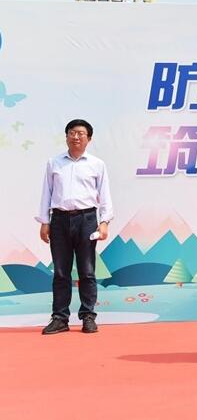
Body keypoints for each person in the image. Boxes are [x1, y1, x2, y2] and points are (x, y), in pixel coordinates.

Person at [36, 119, 113, 335]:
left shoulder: (97, 164)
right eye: (72, 132)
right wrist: (45, 222)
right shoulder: (54, 162)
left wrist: (104, 222)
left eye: (80, 133)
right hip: (59, 220)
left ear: (89, 138)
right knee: (61, 272)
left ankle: (88, 316)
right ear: (66, 136)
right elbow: (46, 193)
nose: (76, 137)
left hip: (87, 219)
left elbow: (105, 195)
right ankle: (60, 318)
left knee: (87, 271)